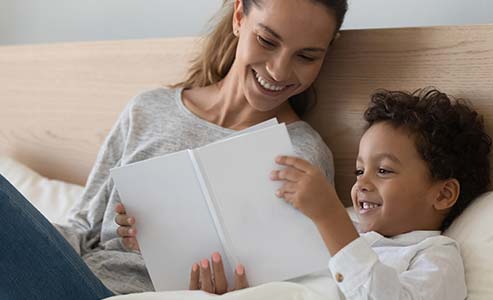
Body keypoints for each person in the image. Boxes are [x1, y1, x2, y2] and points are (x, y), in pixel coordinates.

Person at [0, 0, 348, 298]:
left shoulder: (301, 155)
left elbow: (291, 284)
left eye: (306, 56)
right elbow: (83, 226)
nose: (278, 69)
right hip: (75, 278)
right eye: (267, 40)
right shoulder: (148, 110)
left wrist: (226, 292)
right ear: (239, 17)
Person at [271, 88, 492, 299]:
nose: (361, 183)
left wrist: (330, 217)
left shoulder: (436, 256)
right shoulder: (346, 232)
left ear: (443, 194)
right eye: (359, 171)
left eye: (384, 170)